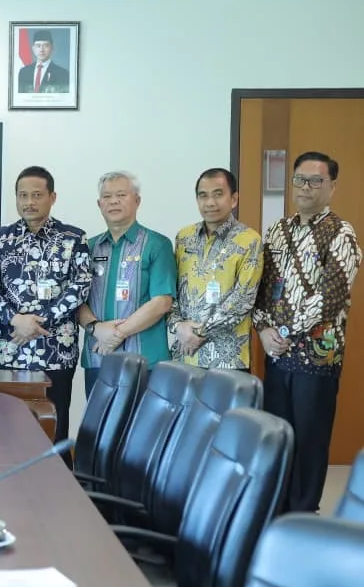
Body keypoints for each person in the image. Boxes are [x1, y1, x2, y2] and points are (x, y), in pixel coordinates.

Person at [253, 151, 361, 513]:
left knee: (310, 437)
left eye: (316, 181)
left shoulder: (342, 233)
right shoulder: (277, 231)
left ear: (331, 186)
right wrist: (263, 329)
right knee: (279, 433)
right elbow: (262, 287)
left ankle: (303, 513)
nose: (306, 187)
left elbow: (330, 297)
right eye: (300, 179)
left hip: (317, 354)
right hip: (276, 352)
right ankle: (278, 507)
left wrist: (284, 331)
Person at [0, 167, 91, 453]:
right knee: (7, 430)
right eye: (23, 195)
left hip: (56, 352)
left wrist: (37, 323)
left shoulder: (74, 239)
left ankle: (57, 480)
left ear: (52, 197)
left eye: (37, 195)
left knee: (54, 428)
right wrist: (15, 319)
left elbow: (80, 286)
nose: (29, 202)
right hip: (10, 349)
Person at [78, 171, 176, 396]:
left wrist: (116, 334)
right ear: (99, 204)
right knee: (99, 419)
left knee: (142, 420)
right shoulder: (88, 247)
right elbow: (76, 300)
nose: (113, 201)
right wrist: (95, 328)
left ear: (137, 200)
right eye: (107, 196)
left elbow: (162, 302)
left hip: (145, 360)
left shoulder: (157, 244)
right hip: (98, 357)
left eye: (121, 195)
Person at [168, 168, 263, 369]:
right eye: (203, 196)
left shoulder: (249, 240)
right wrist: (178, 326)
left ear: (234, 199)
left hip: (228, 358)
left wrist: (198, 333)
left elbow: (243, 300)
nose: (210, 202)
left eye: (218, 194)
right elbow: (172, 291)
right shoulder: (184, 237)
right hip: (185, 354)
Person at [16, 29, 70, 94]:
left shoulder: (62, 74)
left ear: (52, 48)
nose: (41, 50)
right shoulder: (24, 72)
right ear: (33, 49)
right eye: (38, 46)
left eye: (46, 45)